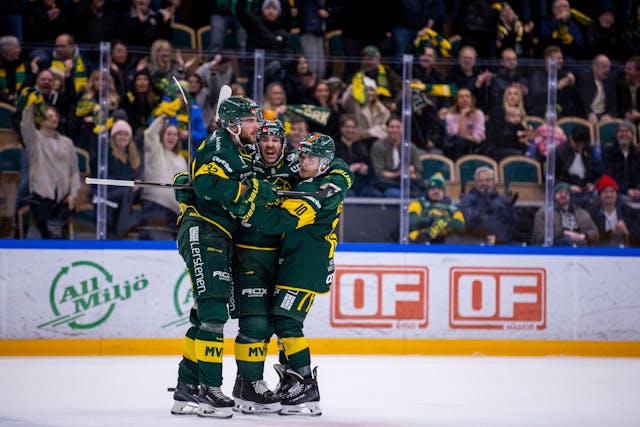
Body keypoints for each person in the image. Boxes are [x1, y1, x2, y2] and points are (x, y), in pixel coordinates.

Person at [227, 132, 354, 416]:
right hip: (296, 263)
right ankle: (292, 383)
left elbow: (276, 222)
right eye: (303, 154)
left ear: (324, 163)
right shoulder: (316, 181)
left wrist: (246, 206)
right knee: (282, 321)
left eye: (311, 157)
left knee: (287, 323)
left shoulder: (313, 195)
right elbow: (342, 167)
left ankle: (306, 385)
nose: (304, 160)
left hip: (305, 266)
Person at [169, 95, 276, 418]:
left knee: (204, 313)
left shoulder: (236, 148)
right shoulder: (221, 146)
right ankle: (209, 390)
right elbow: (206, 185)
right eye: (251, 120)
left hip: (217, 234)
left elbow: (204, 181)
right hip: (204, 230)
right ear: (233, 124)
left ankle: (187, 386)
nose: (257, 126)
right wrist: (247, 191)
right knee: (214, 311)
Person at [20, 103, 80, 239]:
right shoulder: (34, 140)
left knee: (65, 222)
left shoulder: (67, 142)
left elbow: (75, 171)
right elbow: (26, 126)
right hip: (42, 197)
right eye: (49, 116)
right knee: (45, 225)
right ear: (40, 120)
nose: (54, 118)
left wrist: (73, 194)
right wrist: (29, 107)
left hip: (63, 198)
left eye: (55, 116)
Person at [139, 115, 188, 239]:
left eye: (175, 134)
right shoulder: (156, 151)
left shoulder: (181, 159)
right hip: (154, 205)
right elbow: (150, 134)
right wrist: (163, 118)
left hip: (175, 211)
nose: (172, 137)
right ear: (162, 136)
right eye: (168, 134)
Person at [459, 166, 517, 244]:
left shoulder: (502, 201)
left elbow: (513, 227)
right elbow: (468, 222)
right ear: (475, 183)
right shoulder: (467, 200)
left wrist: (509, 211)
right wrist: (482, 206)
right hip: (476, 244)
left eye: (487, 180)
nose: (484, 183)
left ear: (493, 182)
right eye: (480, 181)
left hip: (500, 244)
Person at [104, 119, 141, 238]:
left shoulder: (132, 154)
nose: (123, 137)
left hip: (128, 193)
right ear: (113, 137)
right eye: (119, 134)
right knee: (125, 192)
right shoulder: (108, 152)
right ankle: (120, 234)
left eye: (126, 134)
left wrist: (137, 182)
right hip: (111, 191)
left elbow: (135, 175)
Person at [370, 116, 423, 198]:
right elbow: (379, 173)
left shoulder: (410, 147)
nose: (395, 130)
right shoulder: (378, 146)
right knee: (389, 191)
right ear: (387, 129)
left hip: (407, 182)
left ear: (403, 129)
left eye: (398, 127)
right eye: (392, 127)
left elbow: (418, 171)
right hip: (386, 182)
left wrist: (410, 174)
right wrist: (400, 173)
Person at [532, 181, 598, 246]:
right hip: (554, 248)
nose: (563, 195)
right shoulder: (544, 212)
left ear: (570, 196)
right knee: (566, 241)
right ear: (554, 195)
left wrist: (584, 235)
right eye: (560, 193)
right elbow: (540, 235)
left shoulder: (581, 213)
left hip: (579, 246)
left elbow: (595, 233)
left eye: (566, 193)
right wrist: (564, 233)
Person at [408, 172, 465, 243]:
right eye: (433, 188)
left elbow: (461, 226)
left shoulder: (453, 208)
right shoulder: (419, 203)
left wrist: (445, 222)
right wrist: (430, 220)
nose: (436, 191)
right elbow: (411, 221)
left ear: (444, 192)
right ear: (428, 190)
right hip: (422, 239)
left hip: (445, 241)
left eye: (439, 189)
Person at [334, 113, 381, 197]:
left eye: (353, 127)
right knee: (350, 194)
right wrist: (348, 170)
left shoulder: (361, 147)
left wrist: (366, 169)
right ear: (341, 128)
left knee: (376, 194)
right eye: (348, 127)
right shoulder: (334, 147)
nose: (350, 130)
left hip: (361, 184)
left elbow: (372, 169)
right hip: (342, 186)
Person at [588, 174, 640, 247]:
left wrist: (626, 233)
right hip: (601, 251)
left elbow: (637, 240)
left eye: (612, 191)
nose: (609, 194)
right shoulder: (592, 213)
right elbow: (589, 238)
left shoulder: (628, 212)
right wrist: (611, 234)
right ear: (599, 195)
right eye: (605, 192)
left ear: (616, 194)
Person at [554, 125, 598, 206]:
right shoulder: (559, 152)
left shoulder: (588, 150)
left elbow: (597, 173)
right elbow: (553, 178)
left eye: (582, 145)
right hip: (567, 189)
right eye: (577, 145)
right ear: (571, 138)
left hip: (586, 188)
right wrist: (567, 187)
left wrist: (593, 184)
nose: (580, 148)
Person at [340, 75, 391, 141]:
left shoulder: (383, 110)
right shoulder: (355, 105)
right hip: (357, 140)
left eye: (371, 90)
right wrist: (354, 87)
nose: (369, 93)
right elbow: (346, 101)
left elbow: (386, 127)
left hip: (375, 141)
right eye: (366, 90)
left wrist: (370, 133)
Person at [443, 88, 486, 161]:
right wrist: (462, 116)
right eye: (461, 97)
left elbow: (478, 137)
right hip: (457, 148)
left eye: (467, 96)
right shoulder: (450, 116)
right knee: (458, 141)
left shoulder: (478, 114)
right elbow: (458, 136)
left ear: (472, 100)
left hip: (475, 146)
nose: (465, 99)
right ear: (457, 101)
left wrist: (467, 137)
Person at [602, 120, 640, 201]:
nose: (624, 134)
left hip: (636, 192)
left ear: (632, 135)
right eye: (621, 131)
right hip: (617, 192)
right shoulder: (609, 153)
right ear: (617, 135)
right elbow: (609, 177)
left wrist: (637, 189)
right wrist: (627, 191)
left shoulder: (637, 155)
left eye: (627, 131)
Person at [575, 54, 617, 125]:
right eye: (604, 67)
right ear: (594, 67)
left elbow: (613, 104)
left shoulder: (610, 81)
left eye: (609, 67)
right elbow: (583, 102)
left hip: (603, 116)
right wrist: (589, 113)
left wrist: (609, 115)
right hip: (586, 116)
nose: (607, 70)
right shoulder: (584, 79)